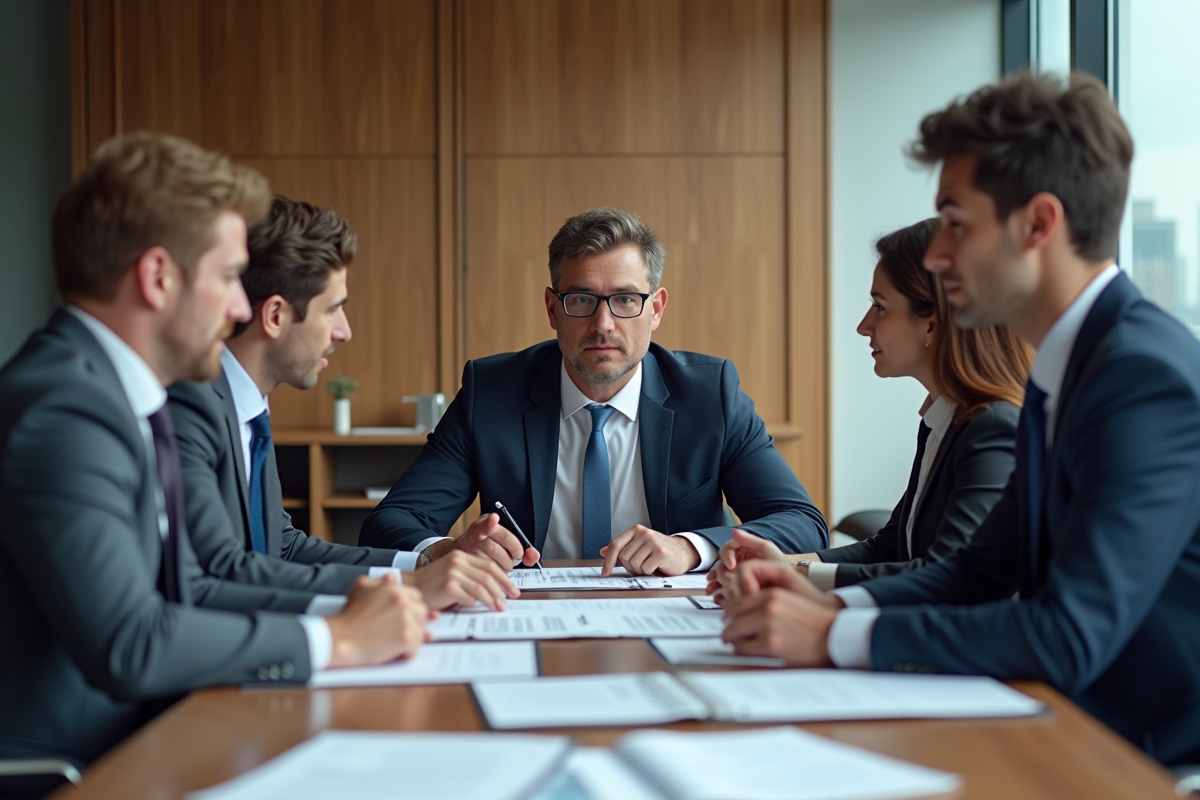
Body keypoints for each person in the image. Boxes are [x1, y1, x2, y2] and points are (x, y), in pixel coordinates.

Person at [717, 72, 1200, 765]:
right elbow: (977, 571)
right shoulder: (1069, 367)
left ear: (1039, 224)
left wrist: (830, 636)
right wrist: (826, 606)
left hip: (1127, 750)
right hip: (1054, 714)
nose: (937, 255)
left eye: (955, 222)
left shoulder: (1140, 376)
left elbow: (1067, 634)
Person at [0, 133, 429, 787]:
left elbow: (192, 588)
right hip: (86, 765)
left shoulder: (117, 396)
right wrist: (337, 640)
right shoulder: (64, 409)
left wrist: (360, 614)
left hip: (156, 728)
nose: (238, 309)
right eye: (228, 278)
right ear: (157, 278)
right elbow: (132, 643)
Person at [359, 207, 829, 576]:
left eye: (625, 299)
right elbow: (390, 523)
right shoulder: (493, 393)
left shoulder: (710, 394)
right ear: (552, 308)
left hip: (670, 615)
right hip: (528, 613)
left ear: (656, 309)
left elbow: (802, 523)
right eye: (581, 299)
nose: (603, 324)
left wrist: (690, 548)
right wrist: (445, 550)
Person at [168, 196, 518, 612]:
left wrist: (426, 563)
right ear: (275, 316)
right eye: (333, 309)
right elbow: (221, 574)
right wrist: (401, 592)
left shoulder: (246, 406)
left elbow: (283, 548)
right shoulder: (190, 407)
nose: (344, 331)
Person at [709, 218, 1030, 593]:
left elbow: (948, 574)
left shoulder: (994, 428)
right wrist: (787, 564)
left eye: (880, 307)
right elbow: (890, 548)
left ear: (932, 323)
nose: (864, 326)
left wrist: (799, 577)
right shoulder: (945, 420)